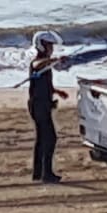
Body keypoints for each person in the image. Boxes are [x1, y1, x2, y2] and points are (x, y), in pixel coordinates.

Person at [26, 30, 69, 183]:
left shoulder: (46, 64)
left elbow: (45, 84)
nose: (51, 48)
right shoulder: (38, 61)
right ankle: (47, 174)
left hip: (43, 104)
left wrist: (57, 91)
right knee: (50, 138)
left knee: (42, 138)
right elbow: (37, 65)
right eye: (49, 45)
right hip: (38, 105)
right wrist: (54, 60)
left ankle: (38, 173)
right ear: (42, 45)